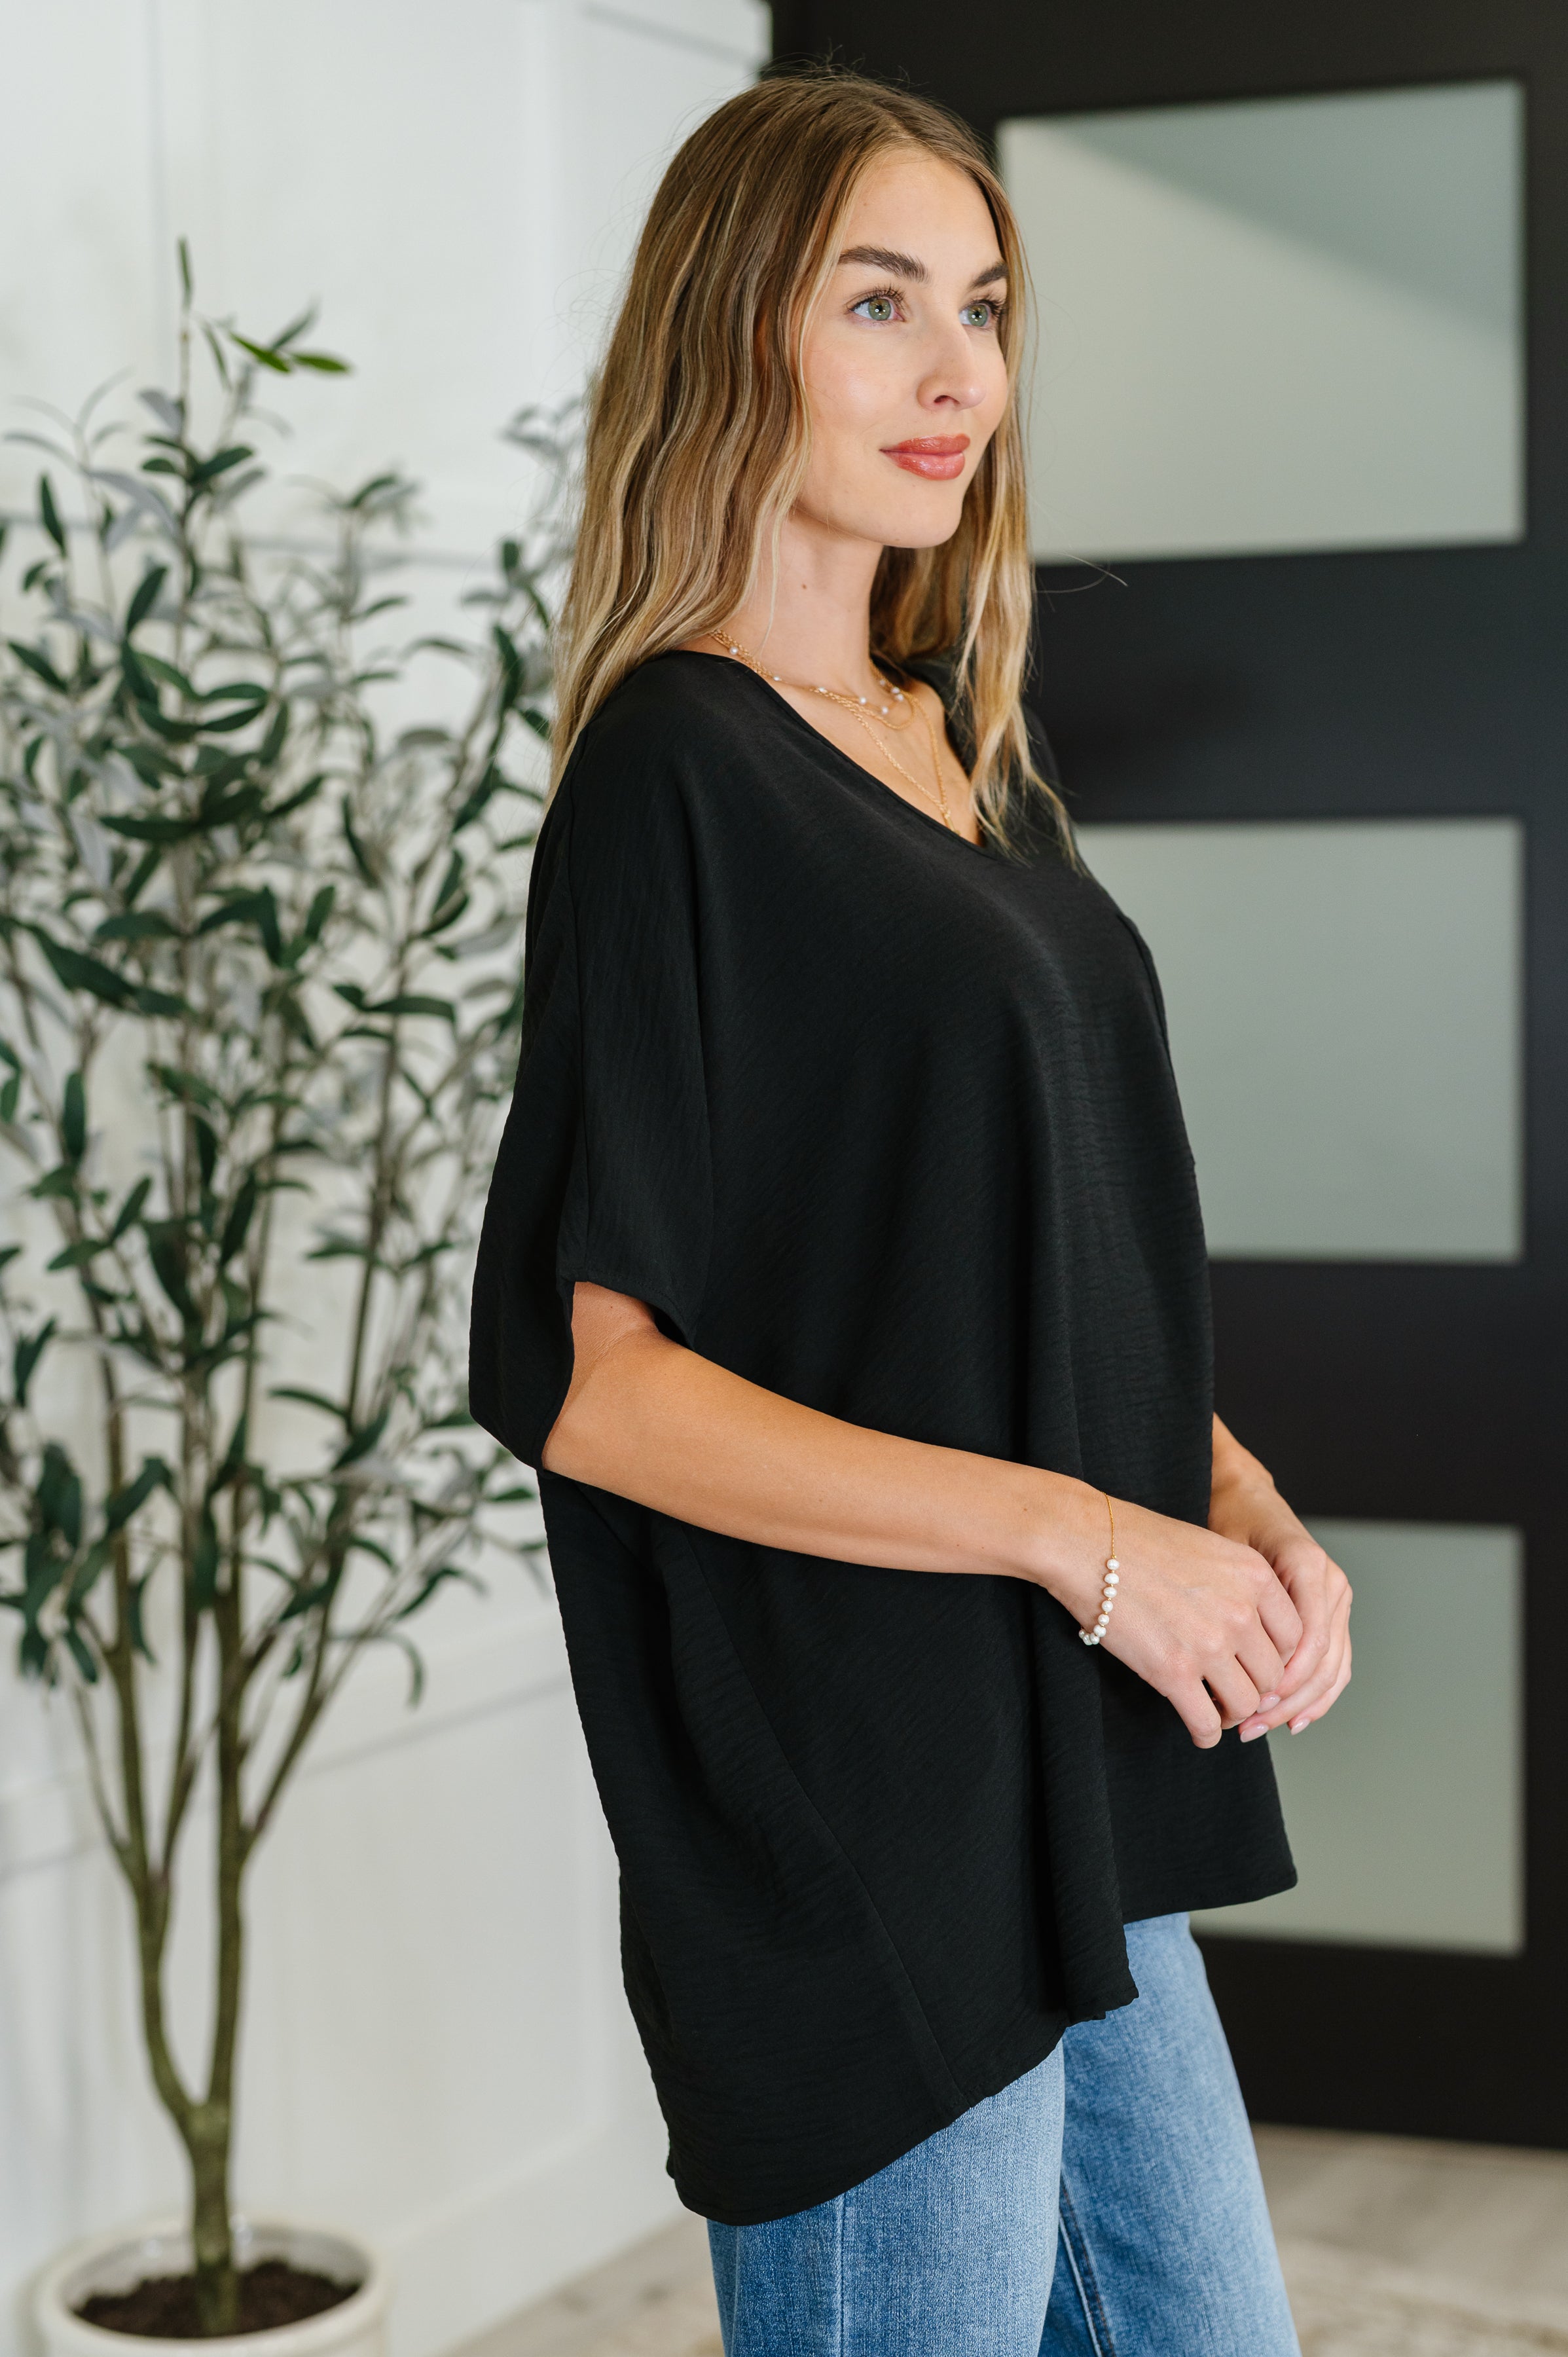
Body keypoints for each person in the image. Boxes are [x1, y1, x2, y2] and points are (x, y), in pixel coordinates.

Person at [471, 65, 1353, 2357]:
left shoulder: (961, 752)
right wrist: (1093, 1543)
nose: (957, 372)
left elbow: (1045, 1270)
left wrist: (1236, 1516)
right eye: (880, 303)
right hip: (866, 1823)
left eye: (978, 306)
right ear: (732, 324)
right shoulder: (676, 771)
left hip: (1076, 1787)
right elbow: (603, 1391)